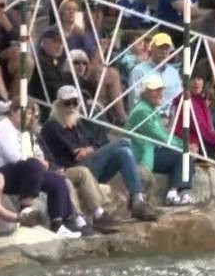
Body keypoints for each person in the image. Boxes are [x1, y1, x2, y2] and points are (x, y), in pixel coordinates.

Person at [40, 86, 159, 221]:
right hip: (75, 169)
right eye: (67, 103)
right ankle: (134, 200)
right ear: (58, 105)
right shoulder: (52, 126)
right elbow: (75, 153)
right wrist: (88, 149)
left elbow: (95, 143)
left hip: (90, 167)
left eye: (75, 102)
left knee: (124, 152)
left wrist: (89, 149)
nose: (72, 107)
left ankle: (137, 200)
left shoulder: (76, 123)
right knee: (124, 142)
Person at [0, 101, 84, 237]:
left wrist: (41, 161)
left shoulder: (24, 132)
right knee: (32, 164)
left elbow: (36, 153)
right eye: (24, 112)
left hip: (25, 172)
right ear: (13, 111)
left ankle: (59, 224)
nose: (27, 116)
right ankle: (26, 210)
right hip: (3, 173)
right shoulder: (3, 127)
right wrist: (36, 160)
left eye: (30, 114)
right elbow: (14, 157)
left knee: (57, 180)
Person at [126, 75, 196, 206]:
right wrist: (184, 146)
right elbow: (159, 136)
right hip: (142, 155)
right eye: (155, 90)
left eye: (161, 90)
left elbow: (164, 134)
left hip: (151, 151)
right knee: (183, 155)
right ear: (145, 93)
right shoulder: (142, 111)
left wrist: (184, 145)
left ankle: (180, 192)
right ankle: (174, 193)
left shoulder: (150, 108)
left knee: (186, 156)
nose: (160, 94)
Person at [127, 32, 181, 111]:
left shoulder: (174, 72)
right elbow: (135, 101)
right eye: (160, 48)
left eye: (167, 48)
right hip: (147, 116)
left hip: (172, 116)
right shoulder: (138, 71)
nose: (164, 51)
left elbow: (179, 98)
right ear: (151, 48)